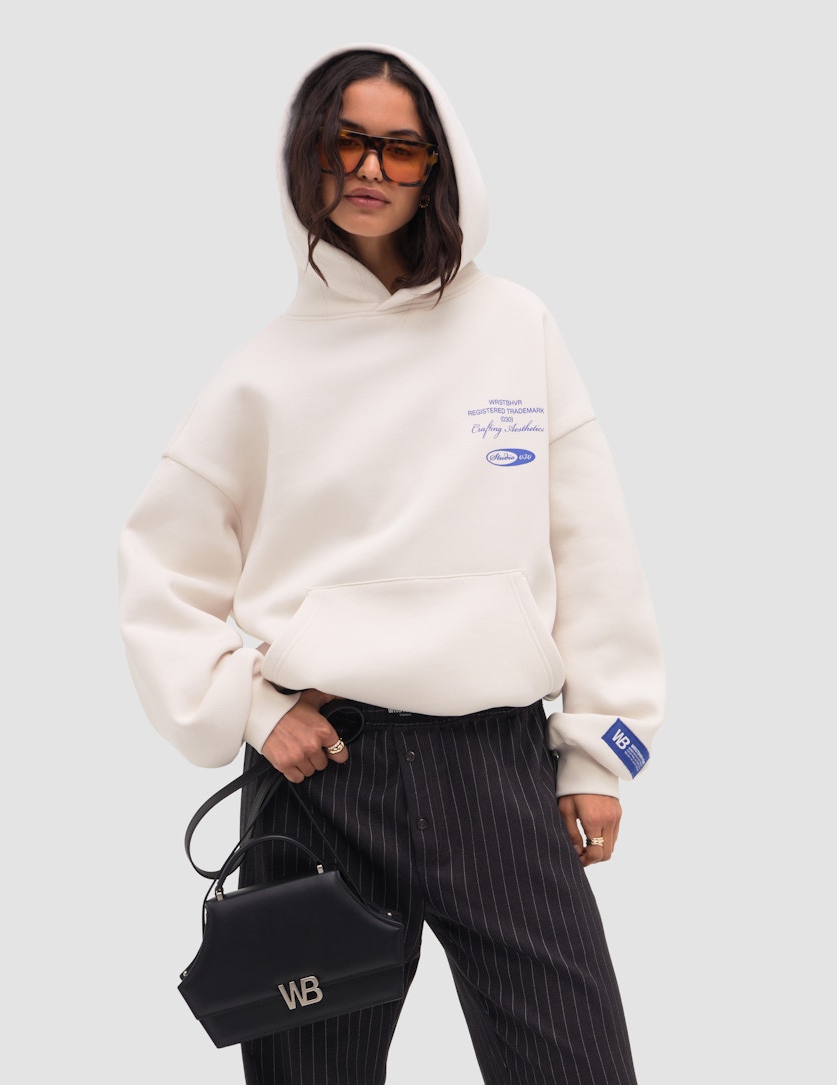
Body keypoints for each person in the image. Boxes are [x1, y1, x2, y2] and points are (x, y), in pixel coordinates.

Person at [118, 42, 665, 1085]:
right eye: (346, 142)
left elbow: (592, 546)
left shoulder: (516, 327)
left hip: (498, 769)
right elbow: (159, 569)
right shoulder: (260, 374)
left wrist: (600, 752)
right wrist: (250, 706)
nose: (370, 168)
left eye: (400, 147)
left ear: (438, 166)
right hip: (320, 774)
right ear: (308, 158)